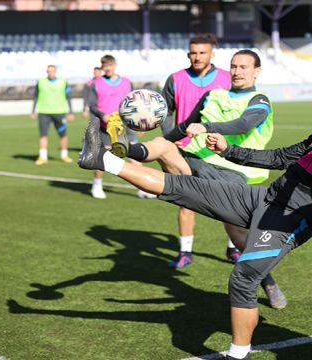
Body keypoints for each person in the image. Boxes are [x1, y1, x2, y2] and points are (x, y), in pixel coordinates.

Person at [78, 74, 312, 360]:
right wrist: (230, 151)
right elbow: (280, 157)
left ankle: (238, 354)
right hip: (267, 198)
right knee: (182, 188)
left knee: (243, 279)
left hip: (290, 219)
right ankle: (102, 159)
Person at [110, 50, 269, 268]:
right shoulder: (213, 95)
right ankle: (125, 150)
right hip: (196, 161)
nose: (237, 71)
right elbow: (185, 127)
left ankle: (267, 281)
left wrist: (206, 127)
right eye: (234, 66)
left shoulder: (259, 100)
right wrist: (166, 139)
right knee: (163, 145)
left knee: (238, 235)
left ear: (256, 71)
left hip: (233, 173)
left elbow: (244, 124)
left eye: (244, 67)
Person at [160, 33, 234, 266]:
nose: (197, 57)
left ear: (212, 54)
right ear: (188, 53)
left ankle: (233, 248)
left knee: (230, 201)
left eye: (202, 52)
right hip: (185, 150)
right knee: (185, 202)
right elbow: (164, 112)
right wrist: (168, 138)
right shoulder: (175, 79)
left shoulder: (227, 78)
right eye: (193, 52)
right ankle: (185, 253)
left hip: (218, 150)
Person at [87, 54, 151, 199]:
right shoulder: (95, 84)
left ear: (115, 65)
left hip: (125, 125)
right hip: (105, 127)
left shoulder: (127, 82)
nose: (108, 68)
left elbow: (134, 104)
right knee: (103, 156)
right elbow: (91, 105)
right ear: (102, 67)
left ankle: (143, 187)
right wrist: (102, 114)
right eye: (105, 66)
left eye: (110, 65)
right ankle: (97, 185)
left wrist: (138, 124)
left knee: (135, 156)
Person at [30, 65, 75, 165]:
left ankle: (64, 155)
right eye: (48, 71)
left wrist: (71, 112)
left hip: (60, 112)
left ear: (55, 72)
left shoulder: (63, 82)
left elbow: (69, 97)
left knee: (63, 134)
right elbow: (35, 96)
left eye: (52, 71)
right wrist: (33, 111)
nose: (50, 73)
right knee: (43, 135)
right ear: (46, 72)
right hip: (44, 112)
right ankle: (43, 157)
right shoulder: (41, 82)